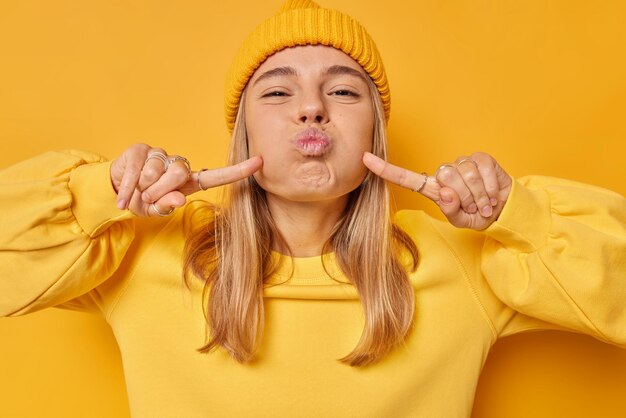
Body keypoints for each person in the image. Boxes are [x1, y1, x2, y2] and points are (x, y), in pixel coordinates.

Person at [1, 0, 625, 416]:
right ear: (242, 131)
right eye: (278, 91)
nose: (311, 108)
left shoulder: (458, 261)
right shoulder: (140, 250)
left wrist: (520, 215)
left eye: (343, 90)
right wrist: (100, 195)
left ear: (374, 134)